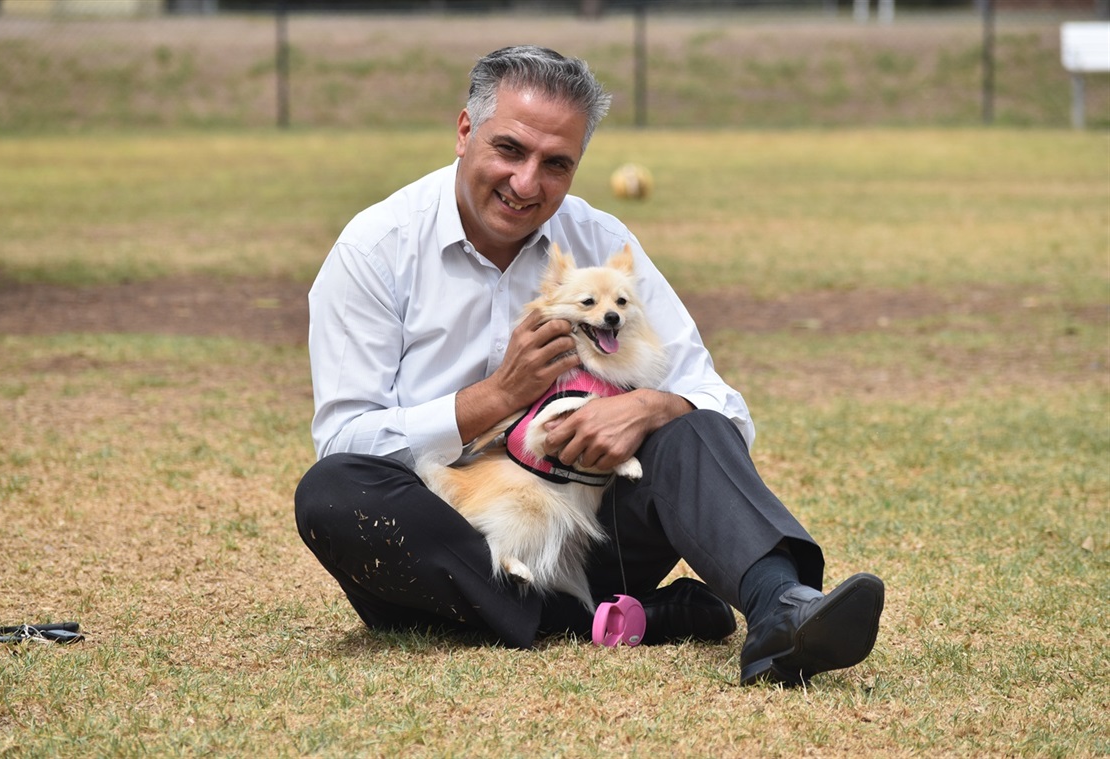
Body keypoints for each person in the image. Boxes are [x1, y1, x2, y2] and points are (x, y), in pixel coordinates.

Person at [295, 45, 884, 687]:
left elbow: (721, 407)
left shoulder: (600, 243)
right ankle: (610, 620)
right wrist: (495, 397)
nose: (527, 183)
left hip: (590, 539)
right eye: (510, 150)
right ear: (464, 131)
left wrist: (654, 405)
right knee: (332, 493)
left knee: (692, 424)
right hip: (448, 553)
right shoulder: (375, 251)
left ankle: (782, 607)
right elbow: (345, 440)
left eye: (556, 164)